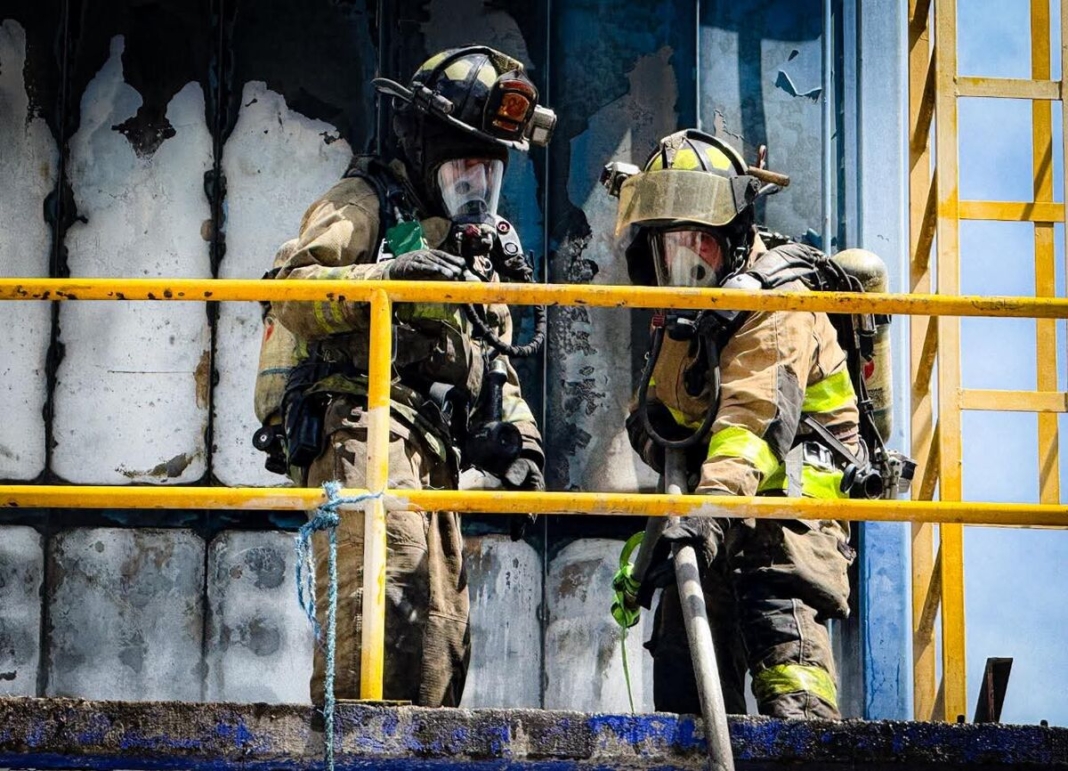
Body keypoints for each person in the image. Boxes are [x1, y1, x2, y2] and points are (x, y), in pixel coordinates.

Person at [259, 46, 553, 708]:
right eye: (462, 165)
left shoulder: (474, 250)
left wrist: (520, 434)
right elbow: (289, 288)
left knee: (439, 640)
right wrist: (388, 275)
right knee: (378, 614)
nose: (476, 184)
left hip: (435, 455)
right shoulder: (368, 200)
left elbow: (491, 347)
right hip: (365, 427)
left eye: (488, 168)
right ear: (425, 152)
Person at [607, 129, 861, 719]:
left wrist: (704, 518)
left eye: (702, 245)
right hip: (717, 515)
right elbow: (663, 423)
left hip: (786, 525)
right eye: (672, 248)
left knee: (787, 667)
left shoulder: (777, 306)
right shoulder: (686, 320)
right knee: (681, 669)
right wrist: (656, 545)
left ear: (735, 237)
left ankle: (806, 759)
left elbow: (750, 427)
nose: (687, 264)